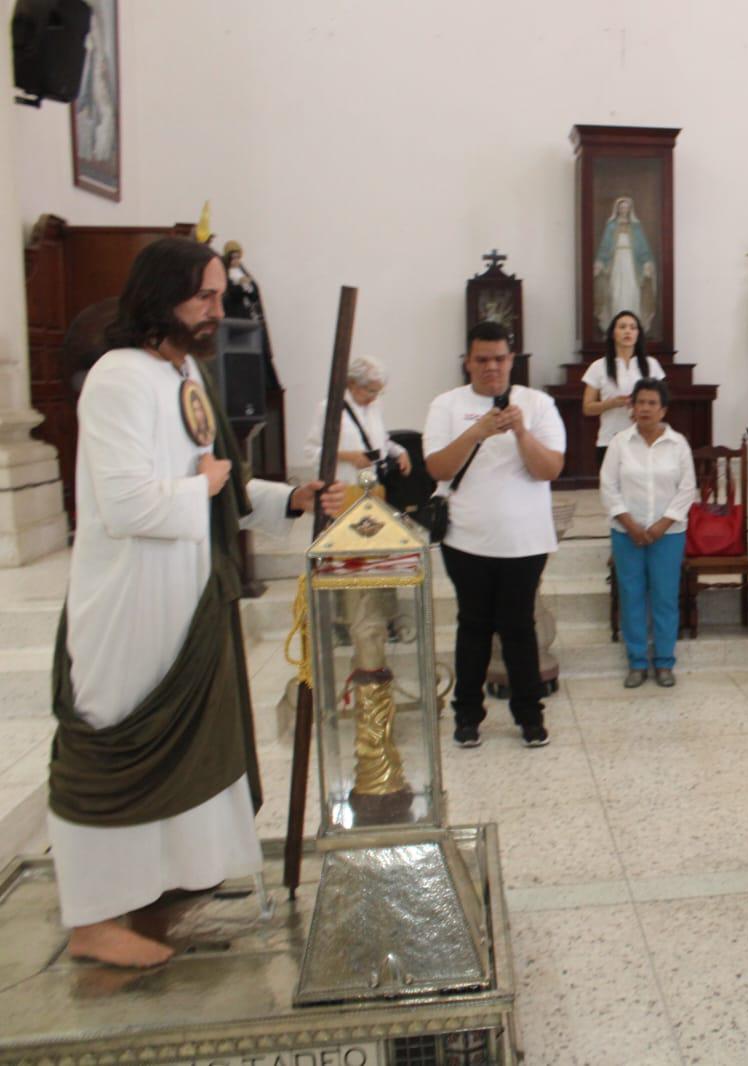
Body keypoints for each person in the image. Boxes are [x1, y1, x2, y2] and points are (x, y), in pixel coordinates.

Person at [48, 237, 343, 968]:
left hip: (188, 598)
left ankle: (162, 893)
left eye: (219, 296)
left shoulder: (187, 374)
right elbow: (125, 505)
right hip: (130, 603)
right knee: (119, 742)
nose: (218, 310)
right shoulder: (118, 378)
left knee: (185, 755)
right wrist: (204, 486)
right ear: (159, 296)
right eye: (204, 297)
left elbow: (227, 487)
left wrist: (294, 498)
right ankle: (93, 920)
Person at [425, 321, 566, 748]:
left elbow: (549, 470)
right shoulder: (447, 405)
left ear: (512, 360)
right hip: (466, 539)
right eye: (482, 359)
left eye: (499, 359)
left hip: (525, 541)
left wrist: (520, 431)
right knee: (473, 626)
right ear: (468, 362)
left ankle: (529, 716)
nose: (491, 367)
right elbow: (438, 469)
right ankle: (467, 716)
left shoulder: (537, 405)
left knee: (519, 628)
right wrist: (476, 431)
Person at [599, 378, 696, 688]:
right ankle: (637, 662)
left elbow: (687, 489)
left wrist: (660, 525)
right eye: (639, 402)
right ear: (632, 406)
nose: (644, 408)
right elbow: (608, 486)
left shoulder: (678, 444)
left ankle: (665, 662)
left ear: (663, 409)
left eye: (652, 403)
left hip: (667, 534)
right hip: (626, 532)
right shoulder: (619, 443)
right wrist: (630, 523)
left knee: (665, 597)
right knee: (631, 596)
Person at [303, 354, 413, 487]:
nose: (374, 397)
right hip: (340, 489)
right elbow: (311, 451)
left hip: (371, 486)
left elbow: (381, 441)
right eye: (371, 391)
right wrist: (349, 456)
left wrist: (400, 452)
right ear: (352, 383)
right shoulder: (330, 408)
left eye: (378, 392)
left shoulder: (375, 406)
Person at [581, 310, 665, 469]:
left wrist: (642, 409)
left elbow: (662, 402)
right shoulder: (599, 366)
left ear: (638, 334)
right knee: (613, 491)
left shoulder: (651, 364)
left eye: (633, 328)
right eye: (622, 327)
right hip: (610, 440)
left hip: (645, 438)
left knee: (645, 491)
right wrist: (612, 403)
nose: (628, 331)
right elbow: (587, 408)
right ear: (613, 333)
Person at [594, 196, 657, 333]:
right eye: (621, 207)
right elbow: (605, 247)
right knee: (615, 292)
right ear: (617, 209)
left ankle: (633, 326)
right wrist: (600, 261)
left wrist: (646, 262)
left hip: (632, 264)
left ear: (630, 209)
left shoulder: (636, 226)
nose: (624, 209)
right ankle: (616, 326)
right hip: (616, 263)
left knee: (632, 291)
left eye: (626, 207)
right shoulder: (611, 226)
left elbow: (642, 247)